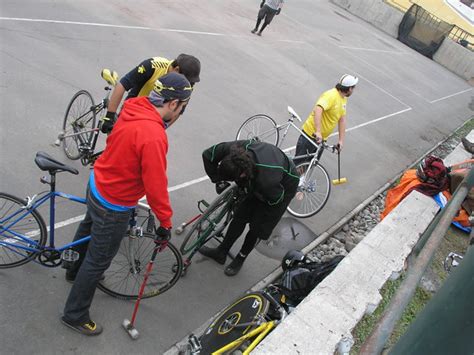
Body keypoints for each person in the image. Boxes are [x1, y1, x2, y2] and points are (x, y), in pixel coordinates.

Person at [61, 72, 193, 336]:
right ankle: (74, 314)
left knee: (87, 230)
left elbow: (114, 142)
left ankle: (73, 269)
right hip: (114, 204)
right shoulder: (154, 136)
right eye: (183, 109)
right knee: (98, 262)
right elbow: (156, 186)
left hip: (97, 184)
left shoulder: (133, 107)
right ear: (174, 104)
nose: (180, 115)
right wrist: (165, 222)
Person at [199, 139, 299, 276]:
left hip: (282, 188)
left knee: (257, 227)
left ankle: (240, 258)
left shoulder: (267, 181)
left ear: (242, 174)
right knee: (240, 217)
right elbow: (207, 155)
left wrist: (252, 196)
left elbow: (275, 199)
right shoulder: (234, 149)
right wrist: (218, 180)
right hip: (262, 170)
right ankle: (221, 251)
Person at [101, 54, 200, 133]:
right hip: (134, 107)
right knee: (117, 141)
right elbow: (122, 85)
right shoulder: (153, 65)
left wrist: (162, 128)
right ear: (176, 69)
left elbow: (178, 111)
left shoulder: (187, 85)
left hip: (154, 117)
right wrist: (109, 116)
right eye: (186, 79)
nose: (188, 83)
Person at [294, 74, 358, 164]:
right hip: (310, 136)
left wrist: (341, 141)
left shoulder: (343, 99)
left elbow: (342, 119)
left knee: (309, 165)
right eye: (353, 88)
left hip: (321, 140)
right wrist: (318, 131)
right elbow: (318, 109)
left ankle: (300, 178)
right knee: (297, 165)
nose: (353, 90)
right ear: (349, 89)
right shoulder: (331, 95)